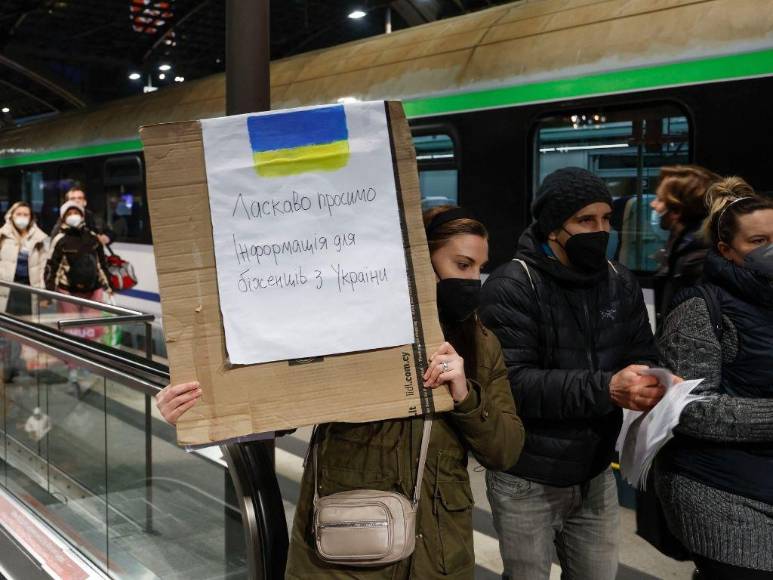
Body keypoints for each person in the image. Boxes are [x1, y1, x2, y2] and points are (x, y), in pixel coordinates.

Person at [157, 206, 526, 579]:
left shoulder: (481, 345)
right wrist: (198, 407)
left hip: (437, 554)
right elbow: (271, 401)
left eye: (479, 267)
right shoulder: (349, 326)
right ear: (419, 260)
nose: (473, 280)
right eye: (462, 265)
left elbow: (505, 450)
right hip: (344, 552)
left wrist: (465, 395)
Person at [478, 167, 664, 580]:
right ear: (552, 228)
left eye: (605, 219)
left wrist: (658, 380)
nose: (600, 230)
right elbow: (512, 383)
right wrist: (607, 388)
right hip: (526, 475)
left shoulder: (619, 281)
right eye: (585, 220)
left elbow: (643, 352)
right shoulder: (513, 286)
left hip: (595, 470)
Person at [655, 177, 773, 579]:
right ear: (726, 250)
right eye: (758, 241)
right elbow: (691, 409)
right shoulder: (699, 309)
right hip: (722, 491)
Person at [651, 165, 719, 328]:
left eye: (660, 199)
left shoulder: (696, 262)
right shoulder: (682, 247)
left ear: (676, 210)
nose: (653, 204)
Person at [0, 202, 48, 316]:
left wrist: (43, 293)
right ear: (11, 215)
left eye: (26, 215)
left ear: (31, 217)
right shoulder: (2, 235)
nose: (22, 217)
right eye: (19, 214)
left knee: (27, 327)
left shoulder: (39, 238)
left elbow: (43, 267)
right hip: (7, 288)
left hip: (29, 289)